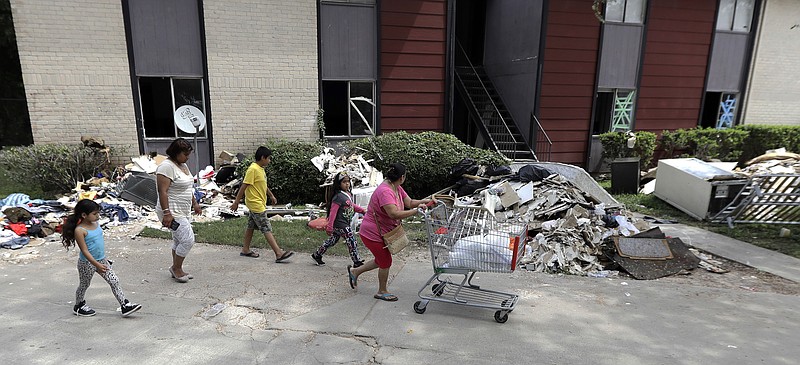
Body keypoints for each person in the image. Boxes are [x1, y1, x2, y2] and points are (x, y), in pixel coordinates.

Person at [347, 163, 433, 302]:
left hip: (382, 231)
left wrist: (426, 202)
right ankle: (382, 291)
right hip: (372, 233)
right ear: (402, 177)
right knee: (385, 261)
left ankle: (355, 272)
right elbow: (393, 214)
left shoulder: (396, 187)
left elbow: (410, 202)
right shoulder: (385, 191)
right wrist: (416, 211)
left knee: (380, 260)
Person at [61, 199, 142, 317]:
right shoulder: (80, 230)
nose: (98, 216)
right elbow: (85, 251)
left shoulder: (96, 224)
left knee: (114, 280)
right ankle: (78, 305)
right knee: (84, 284)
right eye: (94, 214)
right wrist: (96, 264)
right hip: (87, 263)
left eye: (98, 213)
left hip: (102, 260)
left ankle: (125, 305)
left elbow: (98, 245)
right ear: (84, 215)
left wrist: (103, 260)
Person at [230, 146, 294, 262]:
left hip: (259, 202)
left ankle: (245, 249)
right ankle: (278, 253)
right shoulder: (252, 169)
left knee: (251, 226)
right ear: (262, 157)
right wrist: (236, 202)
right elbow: (244, 186)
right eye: (268, 158)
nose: (269, 161)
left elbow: (263, 185)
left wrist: (271, 195)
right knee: (266, 227)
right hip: (255, 204)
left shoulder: (260, 169)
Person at [156, 138, 202, 283]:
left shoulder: (182, 165)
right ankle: (176, 268)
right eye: (185, 154)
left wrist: (195, 203)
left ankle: (176, 268)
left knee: (178, 239)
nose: (187, 157)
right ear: (176, 153)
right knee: (188, 240)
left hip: (183, 210)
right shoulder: (166, 167)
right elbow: (162, 191)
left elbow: (189, 187)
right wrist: (167, 213)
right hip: (172, 211)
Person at [311, 171, 365, 267]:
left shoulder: (347, 194)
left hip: (344, 223)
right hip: (340, 224)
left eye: (348, 181)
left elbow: (351, 206)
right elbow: (333, 212)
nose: (347, 184)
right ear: (339, 184)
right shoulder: (338, 197)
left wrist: (362, 211)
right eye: (344, 182)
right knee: (351, 240)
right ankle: (356, 261)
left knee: (332, 240)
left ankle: (317, 254)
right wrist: (329, 226)